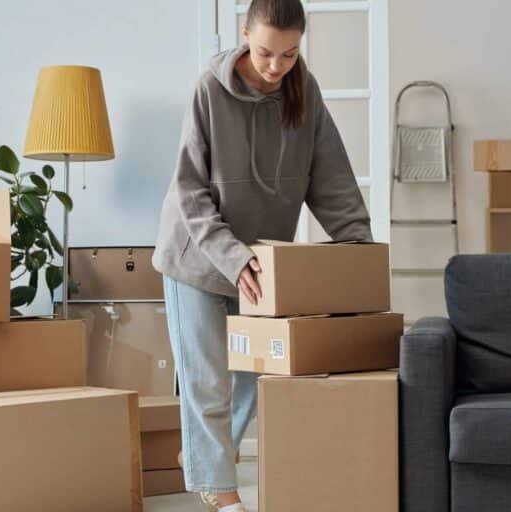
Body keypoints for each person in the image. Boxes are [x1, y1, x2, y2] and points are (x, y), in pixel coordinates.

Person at [151, 0, 372, 509]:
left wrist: (356, 249)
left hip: (263, 262)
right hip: (197, 258)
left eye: (290, 54)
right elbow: (188, 190)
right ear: (245, 34)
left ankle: (205, 457)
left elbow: (331, 175)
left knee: (253, 376)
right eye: (267, 52)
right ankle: (224, 495)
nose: (276, 67)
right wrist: (232, 256)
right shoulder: (209, 90)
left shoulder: (302, 91)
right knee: (207, 379)